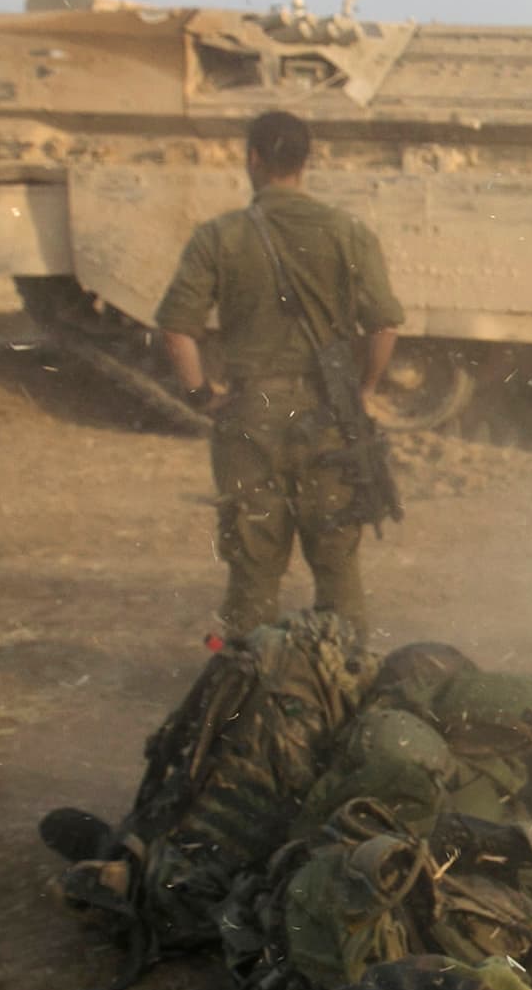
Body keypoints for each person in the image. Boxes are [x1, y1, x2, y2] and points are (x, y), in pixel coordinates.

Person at [156, 111, 405, 637]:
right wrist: (364, 390)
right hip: (331, 418)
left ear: (253, 159)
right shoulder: (348, 232)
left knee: (252, 572)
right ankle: (344, 675)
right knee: (338, 569)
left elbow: (177, 330)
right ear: (306, 161)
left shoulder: (218, 236)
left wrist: (202, 395)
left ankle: (247, 680)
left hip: (251, 417)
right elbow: (384, 325)